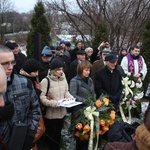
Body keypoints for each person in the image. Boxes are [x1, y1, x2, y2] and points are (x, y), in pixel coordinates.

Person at [0, 45, 40, 150]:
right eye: (4, 64)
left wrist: (30, 135)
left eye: (12, 62)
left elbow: (35, 109)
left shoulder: (25, 83)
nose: (10, 67)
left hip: (21, 140)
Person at [40, 58, 74, 150]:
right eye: (58, 69)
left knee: (59, 134)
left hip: (62, 112)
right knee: (51, 135)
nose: (61, 71)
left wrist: (70, 98)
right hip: (51, 115)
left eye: (62, 69)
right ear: (53, 70)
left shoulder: (64, 78)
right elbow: (42, 98)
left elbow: (66, 92)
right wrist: (54, 103)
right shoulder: (45, 81)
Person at [69, 60, 95, 150]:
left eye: (89, 70)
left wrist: (94, 101)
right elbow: (72, 95)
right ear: (81, 70)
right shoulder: (74, 81)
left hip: (90, 110)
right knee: (80, 135)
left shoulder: (90, 80)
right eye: (86, 70)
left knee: (88, 133)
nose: (88, 72)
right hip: (79, 110)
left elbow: (93, 92)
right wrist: (85, 101)